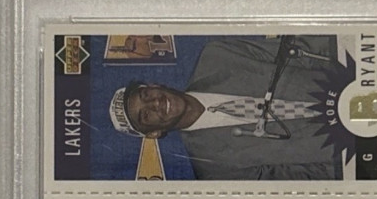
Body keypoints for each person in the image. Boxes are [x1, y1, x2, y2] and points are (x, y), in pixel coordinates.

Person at [109, 36, 353, 180]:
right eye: (145, 115)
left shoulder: (217, 56)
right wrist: (353, 163)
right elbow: (296, 178)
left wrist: (358, 66)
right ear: (154, 133)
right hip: (353, 151)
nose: (155, 103)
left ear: (153, 85)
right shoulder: (212, 168)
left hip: (355, 83)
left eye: (145, 94)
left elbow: (303, 49)